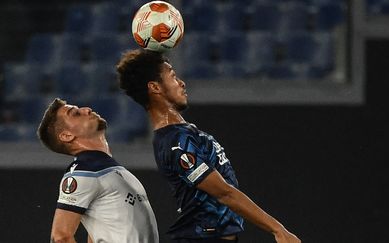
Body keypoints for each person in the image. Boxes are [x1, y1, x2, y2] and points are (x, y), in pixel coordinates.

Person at [116, 49, 301, 243]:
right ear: (155, 87)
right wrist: (278, 230)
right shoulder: (177, 143)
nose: (181, 82)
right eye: (172, 76)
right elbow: (224, 193)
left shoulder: (183, 134)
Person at [37, 98, 159, 243]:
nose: (86, 109)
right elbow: (60, 237)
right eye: (75, 113)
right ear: (67, 135)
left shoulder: (109, 169)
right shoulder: (82, 172)